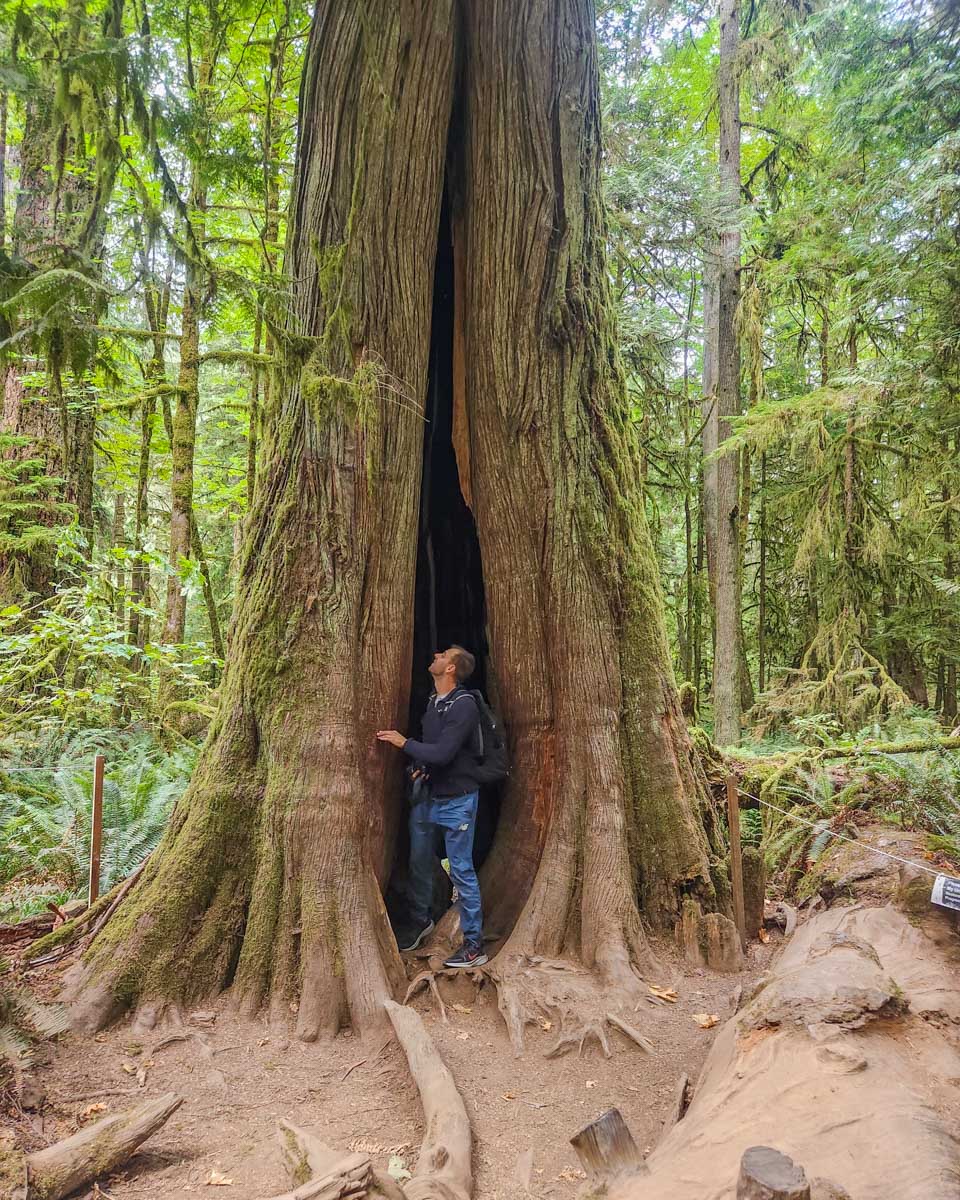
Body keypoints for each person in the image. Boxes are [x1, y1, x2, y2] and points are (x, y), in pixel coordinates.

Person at [376, 645, 487, 968]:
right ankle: (420, 921)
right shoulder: (433, 703)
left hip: (458, 801)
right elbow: (431, 754)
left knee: (462, 869)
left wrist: (404, 743)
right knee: (419, 862)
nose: (436, 655)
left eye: (443, 655)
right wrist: (417, 765)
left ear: (451, 668)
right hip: (427, 798)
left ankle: (473, 944)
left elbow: (444, 752)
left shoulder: (464, 705)